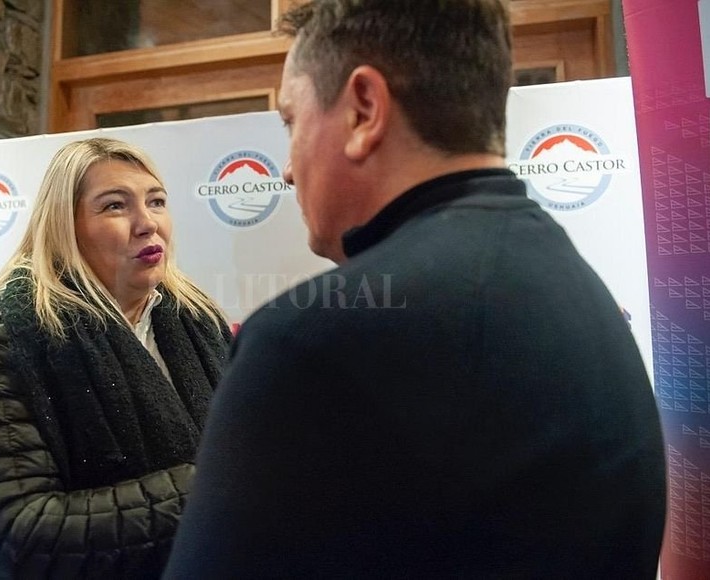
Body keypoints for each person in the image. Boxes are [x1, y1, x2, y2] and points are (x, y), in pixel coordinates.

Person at [164, 1, 667, 578]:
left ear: (363, 110)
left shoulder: (312, 342)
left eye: (290, 121)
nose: (286, 170)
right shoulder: (582, 294)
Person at [0, 137, 231, 579]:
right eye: (116, 206)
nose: (147, 223)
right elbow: (16, 537)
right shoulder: (7, 335)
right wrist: (217, 489)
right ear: (65, 226)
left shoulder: (198, 318)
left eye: (156, 201)